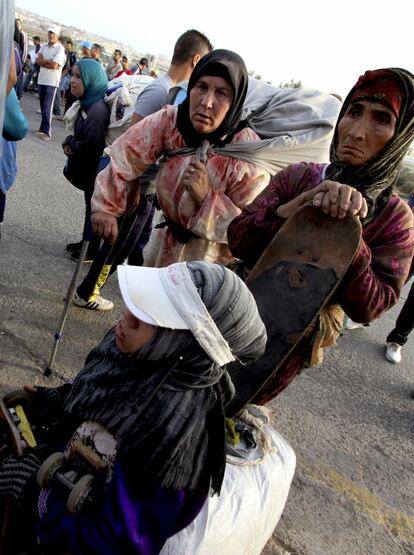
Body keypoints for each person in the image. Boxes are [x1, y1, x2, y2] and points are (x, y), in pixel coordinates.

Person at [0, 261, 267, 554]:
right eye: (143, 301)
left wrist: (37, 496)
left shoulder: (171, 432)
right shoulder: (132, 353)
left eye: (152, 314)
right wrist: (55, 401)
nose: (128, 315)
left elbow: (117, 542)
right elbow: (101, 395)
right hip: (66, 475)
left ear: (186, 345)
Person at [227, 68, 414, 403]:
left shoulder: (395, 220)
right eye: (354, 112)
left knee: (238, 402)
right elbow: (238, 239)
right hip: (234, 311)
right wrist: (296, 209)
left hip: (291, 344)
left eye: (381, 120)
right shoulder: (299, 177)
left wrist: (349, 237)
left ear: (400, 136)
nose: (357, 132)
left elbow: (371, 307)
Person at [74, 49, 269, 311]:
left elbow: (248, 232)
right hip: (163, 250)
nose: (207, 102)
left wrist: (207, 200)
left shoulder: (246, 153)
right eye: (201, 87)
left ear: (235, 100)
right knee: (144, 325)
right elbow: (124, 153)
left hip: (208, 271)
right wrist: (106, 207)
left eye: (221, 93)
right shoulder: (172, 121)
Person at [62, 59, 110, 264]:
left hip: (95, 171)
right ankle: (86, 243)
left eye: (78, 77)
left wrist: (71, 142)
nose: (72, 81)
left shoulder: (97, 111)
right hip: (89, 170)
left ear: (91, 80)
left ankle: (91, 251)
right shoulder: (86, 104)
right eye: (72, 75)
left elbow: (92, 147)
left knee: (95, 209)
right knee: (90, 207)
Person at [35, 24, 66, 141]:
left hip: (52, 81)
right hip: (42, 78)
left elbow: (55, 65)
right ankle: (42, 128)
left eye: (53, 33)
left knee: (48, 107)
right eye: (49, 33)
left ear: (57, 35)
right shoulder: (44, 46)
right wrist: (47, 62)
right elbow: (38, 61)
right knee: (43, 106)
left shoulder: (60, 49)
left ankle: (47, 132)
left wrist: (45, 62)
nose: (51, 35)